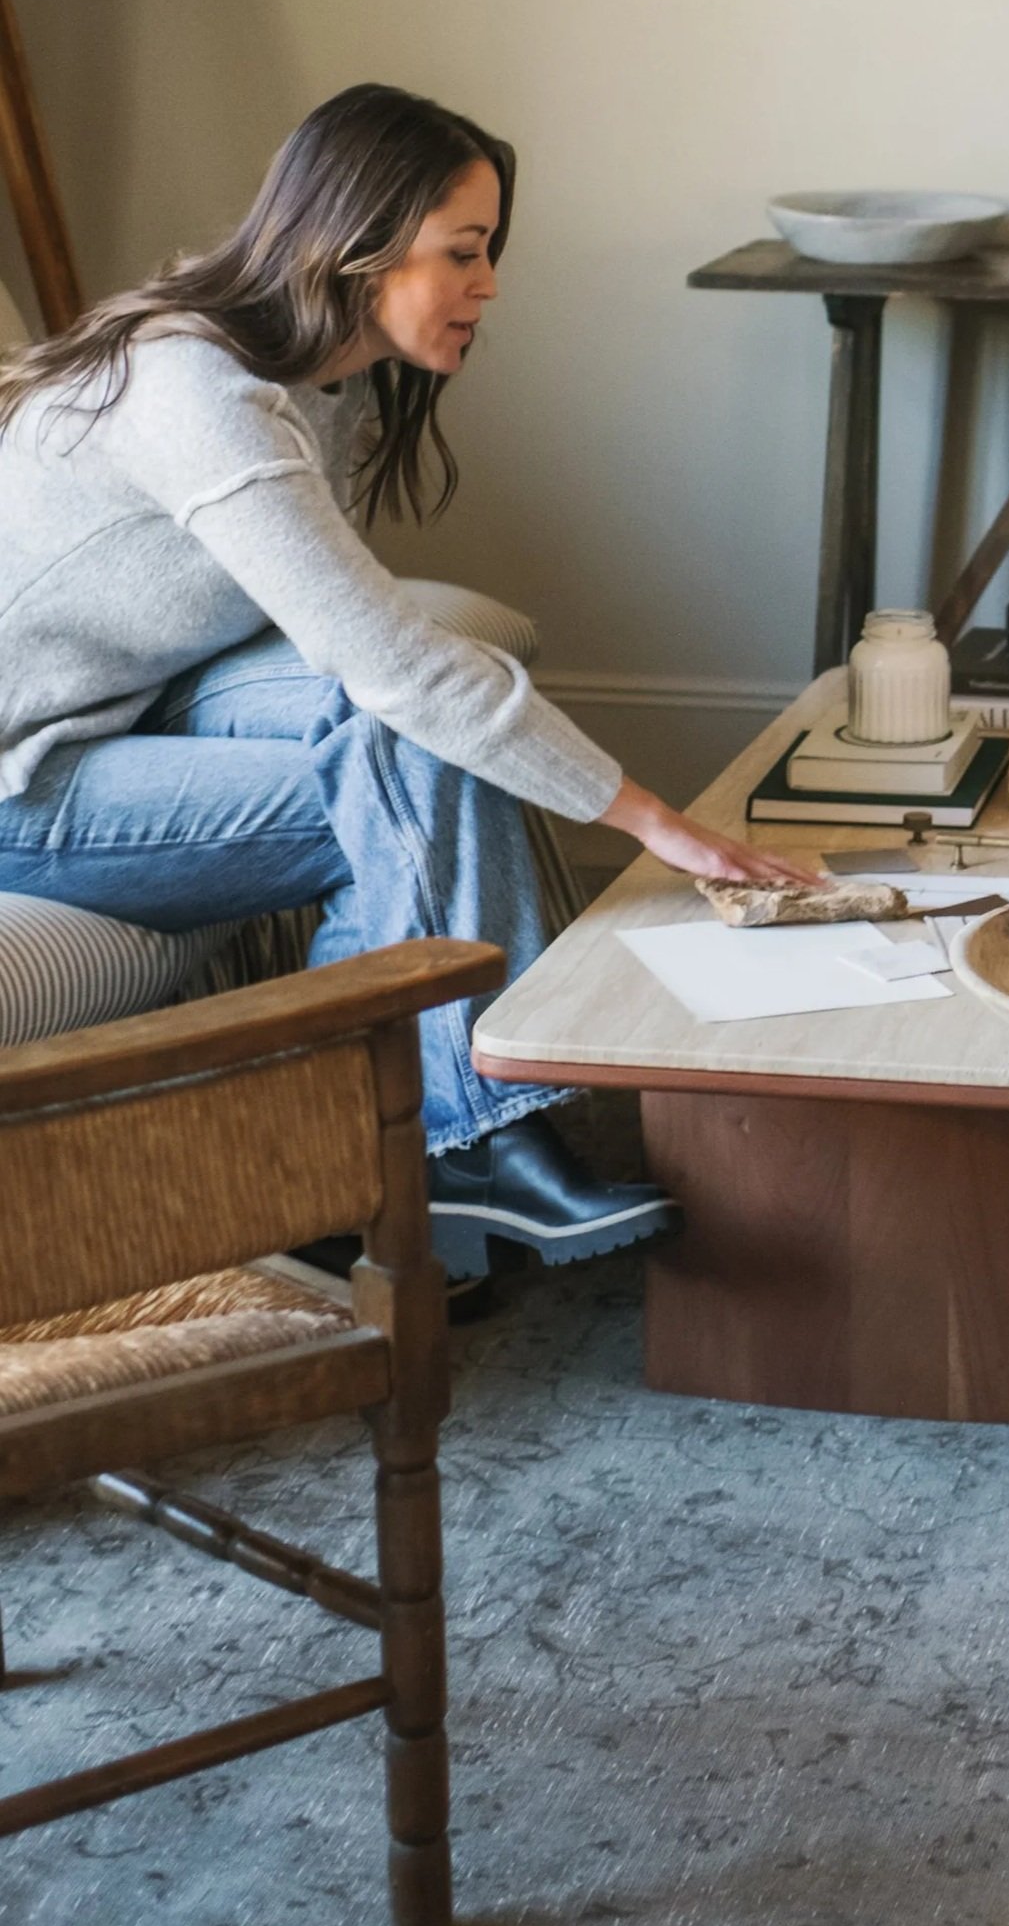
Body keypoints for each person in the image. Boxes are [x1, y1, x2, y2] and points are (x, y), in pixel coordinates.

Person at [0, 82, 813, 1278]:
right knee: (423, 727)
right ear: (358, 243)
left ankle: (388, 1155)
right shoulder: (198, 393)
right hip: (30, 783)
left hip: (139, 707)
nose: (489, 286)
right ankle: (459, 1142)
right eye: (465, 253)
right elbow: (380, 661)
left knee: (422, 720)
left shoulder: (313, 388)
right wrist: (655, 823)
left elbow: (365, 657)